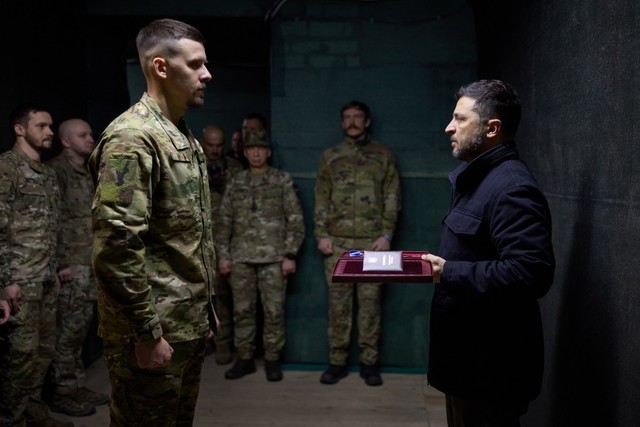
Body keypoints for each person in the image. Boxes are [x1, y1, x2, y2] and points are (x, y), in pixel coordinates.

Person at [89, 18, 216, 426]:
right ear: (160, 67)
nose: (207, 74)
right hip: (152, 330)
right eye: (195, 64)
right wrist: (146, 332)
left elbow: (186, 237)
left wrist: (205, 309)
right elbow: (115, 247)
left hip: (183, 323)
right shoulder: (132, 139)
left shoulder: (180, 134)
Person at [422, 79, 555, 427]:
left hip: (490, 371)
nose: (449, 127)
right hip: (466, 364)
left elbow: (531, 273)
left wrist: (447, 272)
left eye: (460, 119)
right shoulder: (479, 177)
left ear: (492, 128)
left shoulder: (512, 187)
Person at [314, 100, 401, 387]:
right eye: (348, 117)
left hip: (373, 244)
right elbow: (321, 197)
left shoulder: (383, 154)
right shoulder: (330, 156)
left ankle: (369, 364)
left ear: (367, 121)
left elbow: (392, 196)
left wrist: (386, 235)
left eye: (357, 117)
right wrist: (321, 234)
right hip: (337, 243)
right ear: (342, 123)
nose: (352, 122)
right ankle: (337, 363)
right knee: (338, 308)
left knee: (370, 307)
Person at [0, 104, 72, 427]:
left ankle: (33, 413)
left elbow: (52, 226)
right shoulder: (7, 168)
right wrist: (5, 281)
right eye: (41, 126)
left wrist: (55, 270)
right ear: (20, 129)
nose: (49, 132)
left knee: (43, 351)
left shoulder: (48, 174)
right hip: (20, 280)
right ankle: (12, 420)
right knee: (20, 357)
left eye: (50, 126)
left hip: (44, 278)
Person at [216, 130, 304, 382]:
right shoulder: (236, 181)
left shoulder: (281, 180)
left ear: (268, 152)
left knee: (274, 312)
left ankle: (272, 359)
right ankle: (245, 358)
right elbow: (225, 222)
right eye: (251, 148)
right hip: (241, 258)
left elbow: (295, 219)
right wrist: (224, 255)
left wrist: (290, 254)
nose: (256, 153)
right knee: (242, 311)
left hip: (274, 259)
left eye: (261, 148)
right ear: (245, 152)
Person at [47, 119, 109, 417]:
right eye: (83, 135)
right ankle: (63, 392)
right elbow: (51, 219)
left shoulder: (89, 171)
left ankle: (76, 384)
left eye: (90, 133)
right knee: (67, 333)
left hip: (90, 262)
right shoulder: (56, 172)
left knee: (81, 329)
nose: (90, 138)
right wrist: (60, 263)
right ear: (66, 141)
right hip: (71, 265)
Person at [200, 124, 243, 364]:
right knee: (201, 295)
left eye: (219, 145)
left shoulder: (234, 168)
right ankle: (204, 341)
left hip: (227, 241)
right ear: (203, 142)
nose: (215, 150)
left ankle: (224, 343)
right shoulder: (192, 164)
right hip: (199, 241)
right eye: (210, 145)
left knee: (225, 296)